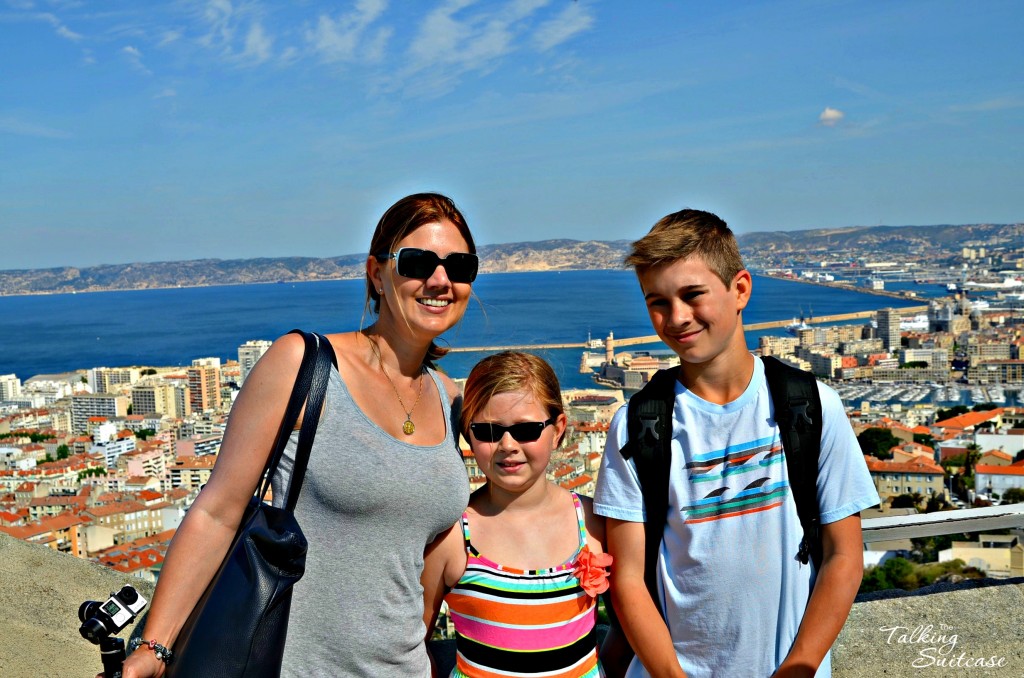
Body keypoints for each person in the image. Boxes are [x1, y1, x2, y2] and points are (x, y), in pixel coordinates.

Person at [117, 193, 478, 678]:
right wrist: (154, 646)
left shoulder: (449, 397)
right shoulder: (302, 365)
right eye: (418, 262)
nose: (440, 280)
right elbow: (218, 511)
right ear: (377, 273)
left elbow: (429, 547)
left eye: (459, 266)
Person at [594, 209, 879, 678]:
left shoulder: (811, 406)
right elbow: (628, 577)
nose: (676, 317)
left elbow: (844, 556)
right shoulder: (638, 425)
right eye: (658, 303)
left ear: (740, 289)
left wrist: (800, 667)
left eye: (692, 295)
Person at [422, 351, 613, 678]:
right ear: (468, 434)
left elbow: (628, 626)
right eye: (489, 432)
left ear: (558, 429)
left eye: (526, 430)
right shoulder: (452, 534)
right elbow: (412, 642)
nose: (508, 445)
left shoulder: (593, 522)